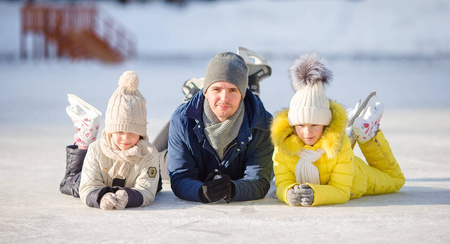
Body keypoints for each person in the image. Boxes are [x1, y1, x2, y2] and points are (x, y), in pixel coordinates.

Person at [271, 53, 405, 207]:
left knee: (395, 179)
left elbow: (341, 191)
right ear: (293, 125)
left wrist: (315, 194)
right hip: (337, 161)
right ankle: (353, 131)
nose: (307, 133)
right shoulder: (283, 147)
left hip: (357, 178)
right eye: (301, 126)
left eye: (314, 125)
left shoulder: (339, 146)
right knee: (339, 142)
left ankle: (369, 136)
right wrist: (288, 193)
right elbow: (282, 184)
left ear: (325, 124)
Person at [167, 51, 274, 203]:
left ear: (243, 93)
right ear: (206, 92)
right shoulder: (181, 120)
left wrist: (232, 189)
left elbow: (259, 181)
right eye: (216, 89)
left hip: (248, 118)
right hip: (185, 127)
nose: (224, 98)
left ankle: (249, 80)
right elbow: (180, 176)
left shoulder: (263, 124)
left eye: (233, 90)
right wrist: (200, 192)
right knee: (160, 158)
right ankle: (193, 94)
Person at [60, 71, 160, 210]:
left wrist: (129, 197)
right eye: (119, 131)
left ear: (142, 133)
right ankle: (84, 138)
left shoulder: (148, 153)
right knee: (70, 182)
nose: (126, 138)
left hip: (129, 186)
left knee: (157, 185)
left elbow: (147, 191)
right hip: (97, 182)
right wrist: (101, 196)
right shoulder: (97, 149)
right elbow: (88, 187)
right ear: (110, 131)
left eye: (132, 132)